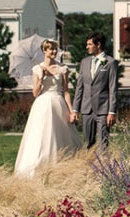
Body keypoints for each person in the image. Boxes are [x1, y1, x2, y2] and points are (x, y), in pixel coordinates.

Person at [14, 39, 82, 177]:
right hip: (43, 104)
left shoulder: (62, 68)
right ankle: (39, 167)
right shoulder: (37, 69)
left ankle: (63, 166)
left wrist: (72, 111)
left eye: (56, 49)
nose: (54, 51)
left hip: (59, 104)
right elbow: (35, 93)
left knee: (61, 136)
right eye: (51, 49)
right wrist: (41, 78)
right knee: (41, 135)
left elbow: (66, 91)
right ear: (44, 51)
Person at [70, 32, 119, 151]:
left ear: (98, 44)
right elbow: (79, 87)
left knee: (103, 144)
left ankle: (103, 167)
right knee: (87, 143)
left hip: (103, 109)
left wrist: (111, 112)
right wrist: (75, 109)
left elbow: (113, 88)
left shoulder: (110, 62)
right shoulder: (84, 62)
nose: (87, 47)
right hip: (86, 109)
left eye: (89, 44)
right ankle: (87, 168)